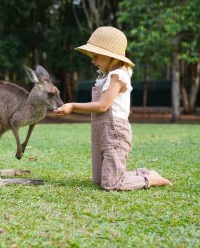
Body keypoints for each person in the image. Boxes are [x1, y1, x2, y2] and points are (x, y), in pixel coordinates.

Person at [54, 26, 172, 190]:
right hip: (99, 132)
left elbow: (103, 106)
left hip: (114, 131)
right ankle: (139, 173)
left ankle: (150, 178)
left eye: (96, 56)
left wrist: (73, 106)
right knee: (98, 180)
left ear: (112, 57)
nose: (92, 60)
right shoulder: (104, 77)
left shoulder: (118, 75)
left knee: (110, 183)